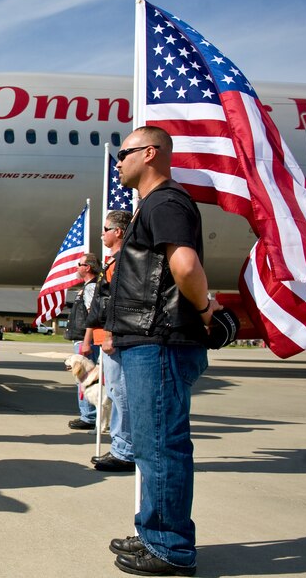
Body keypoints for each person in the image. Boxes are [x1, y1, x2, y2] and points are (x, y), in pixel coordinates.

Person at [105, 126, 220, 577]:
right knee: (152, 447)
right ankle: (154, 530)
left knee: (161, 448)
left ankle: (170, 547)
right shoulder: (152, 205)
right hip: (148, 341)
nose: (118, 162)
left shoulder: (165, 202)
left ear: (150, 153)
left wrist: (206, 310)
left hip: (161, 342)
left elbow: (185, 265)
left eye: (124, 153)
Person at [83, 210, 134, 472]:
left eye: (105, 229)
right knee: (115, 392)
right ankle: (121, 446)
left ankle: (124, 451)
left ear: (118, 232)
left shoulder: (122, 261)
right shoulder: (114, 261)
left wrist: (110, 334)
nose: (101, 234)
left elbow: (117, 302)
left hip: (113, 338)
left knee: (119, 393)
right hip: (106, 336)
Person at [67, 252, 101, 431]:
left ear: (87, 267)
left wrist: (87, 342)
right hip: (82, 338)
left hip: (85, 339)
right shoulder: (88, 287)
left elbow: (92, 316)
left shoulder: (90, 288)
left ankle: (89, 416)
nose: (77, 268)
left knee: (85, 376)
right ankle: (88, 415)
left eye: (79, 265)